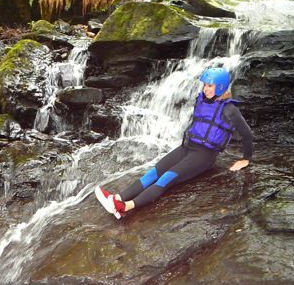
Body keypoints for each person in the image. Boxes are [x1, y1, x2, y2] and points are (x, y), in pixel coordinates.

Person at [95, 67, 253, 219]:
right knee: (153, 173)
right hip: (187, 147)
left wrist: (245, 159)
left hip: (204, 155)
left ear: (220, 87)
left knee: (166, 178)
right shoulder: (202, 100)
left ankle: (125, 207)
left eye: (210, 86)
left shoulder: (230, 110)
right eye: (205, 85)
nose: (206, 89)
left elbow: (247, 134)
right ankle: (117, 198)